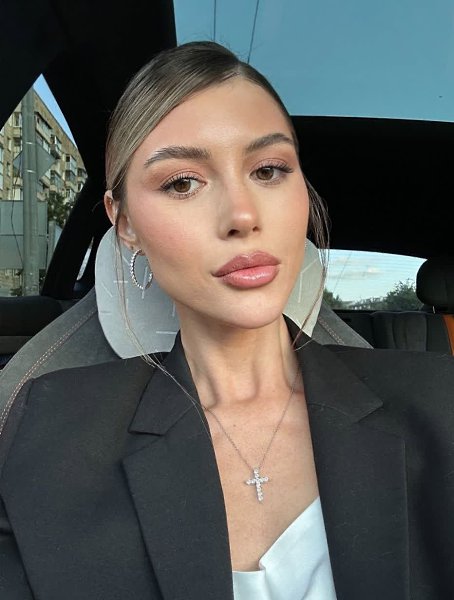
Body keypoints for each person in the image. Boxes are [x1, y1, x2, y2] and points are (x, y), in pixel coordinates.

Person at [0, 41, 454, 600]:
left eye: (268, 170)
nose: (242, 214)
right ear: (125, 223)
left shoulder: (441, 403)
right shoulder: (49, 429)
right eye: (182, 182)